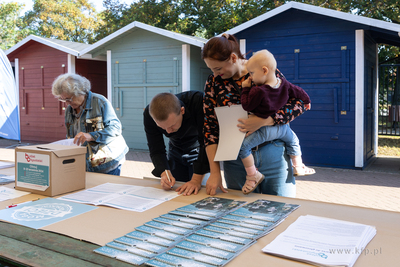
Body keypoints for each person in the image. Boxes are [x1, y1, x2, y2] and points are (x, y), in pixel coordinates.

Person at [202, 33, 306, 197]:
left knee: (281, 211)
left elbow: (298, 103)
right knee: (240, 215)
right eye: (211, 70)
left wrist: (266, 121)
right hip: (235, 161)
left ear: (233, 58)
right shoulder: (213, 83)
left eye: (218, 69)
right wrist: (214, 172)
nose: (215, 74)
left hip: (273, 155)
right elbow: (210, 127)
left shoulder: (262, 68)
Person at [239, 49, 315, 194]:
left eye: (252, 73)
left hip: (264, 130)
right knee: (293, 141)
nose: (250, 77)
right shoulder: (284, 84)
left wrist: (245, 89)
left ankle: (252, 175)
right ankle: (298, 165)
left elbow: (247, 105)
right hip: (283, 127)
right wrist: (307, 101)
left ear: (264, 70)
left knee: (243, 148)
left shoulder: (258, 90)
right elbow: (299, 92)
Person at [51, 73, 128, 175]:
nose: (67, 103)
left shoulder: (100, 102)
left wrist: (91, 136)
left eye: (69, 99)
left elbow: (115, 128)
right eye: (63, 99)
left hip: (108, 163)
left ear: (80, 91)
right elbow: (72, 137)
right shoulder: (69, 110)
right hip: (85, 165)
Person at [143, 91, 210, 195]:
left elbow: (207, 143)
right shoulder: (149, 114)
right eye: (162, 128)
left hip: (200, 151)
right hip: (175, 150)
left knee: (200, 193)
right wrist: (164, 172)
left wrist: (196, 180)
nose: (168, 131)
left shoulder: (198, 101)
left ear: (182, 111)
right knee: (176, 193)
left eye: (172, 125)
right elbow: (156, 148)